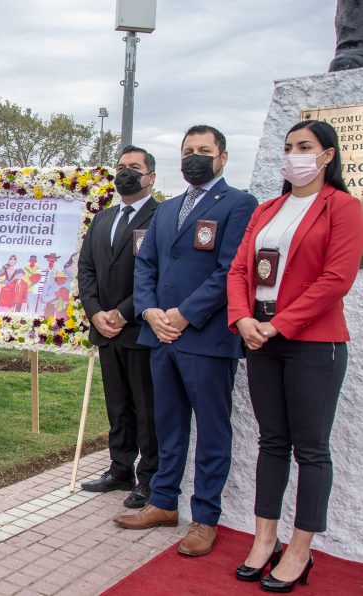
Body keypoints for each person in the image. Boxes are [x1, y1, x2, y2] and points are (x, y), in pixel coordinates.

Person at [227, 120, 363, 591]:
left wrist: (278, 323)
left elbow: (336, 279)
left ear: (327, 155)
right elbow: (241, 268)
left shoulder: (343, 208)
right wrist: (243, 319)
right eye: (288, 147)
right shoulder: (268, 209)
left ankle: (301, 550)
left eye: (305, 147)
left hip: (313, 344)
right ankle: (265, 539)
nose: (294, 155)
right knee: (271, 442)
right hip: (261, 340)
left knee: (311, 449)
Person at [116, 125, 258, 557]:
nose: (195, 156)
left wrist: (183, 314)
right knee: (168, 425)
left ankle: (205, 517)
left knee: (212, 431)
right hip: (161, 337)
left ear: (223, 157)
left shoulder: (239, 204)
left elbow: (230, 270)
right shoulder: (168, 208)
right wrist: (151, 311)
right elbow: (146, 266)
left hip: (206, 339)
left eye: (204, 150)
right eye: (188, 150)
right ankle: (162, 502)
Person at [77, 145, 159, 509]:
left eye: (135, 167)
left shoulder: (162, 216)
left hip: (139, 328)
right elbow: (87, 269)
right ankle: (120, 468)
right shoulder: (104, 218)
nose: (126, 173)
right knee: (117, 405)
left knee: (146, 407)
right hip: (105, 330)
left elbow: (155, 275)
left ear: (150, 177)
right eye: (121, 166)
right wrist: (95, 312)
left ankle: (150, 477)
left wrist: (123, 313)